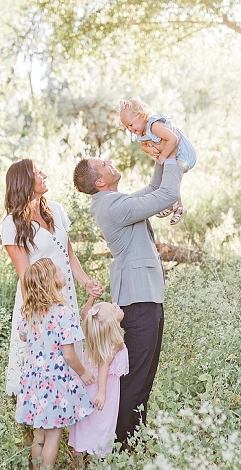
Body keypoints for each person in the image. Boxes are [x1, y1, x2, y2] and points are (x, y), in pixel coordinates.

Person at [72, 155, 183, 448]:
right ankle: (122, 444)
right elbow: (168, 194)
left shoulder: (115, 201)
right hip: (136, 300)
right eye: (104, 163)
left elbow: (153, 189)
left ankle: (133, 438)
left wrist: (163, 158)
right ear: (100, 181)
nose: (110, 161)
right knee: (135, 377)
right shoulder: (112, 205)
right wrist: (173, 156)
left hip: (145, 294)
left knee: (144, 374)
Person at [2, 158, 103, 396]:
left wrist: (85, 282)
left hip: (66, 295)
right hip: (39, 301)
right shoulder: (12, 224)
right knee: (40, 360)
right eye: (38, 173)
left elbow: (68, 254)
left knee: (68, 353)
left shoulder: (55, 209)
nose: (44, 174)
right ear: (24, 182)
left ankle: (67, 414)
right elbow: (25, 274)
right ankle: (31, 421)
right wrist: (34, 315)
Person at [14, 258, 95, 470]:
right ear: (51, 281)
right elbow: (68, 354)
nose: (62, 270)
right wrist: (83, 373)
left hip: (33, 380)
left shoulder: (29, 313)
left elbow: (22, 336)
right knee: (54, 434)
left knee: (40, 433)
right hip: (54, 383)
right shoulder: (63, 314)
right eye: (58, 268)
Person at [119, 98, 197, 225]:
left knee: (170, 176)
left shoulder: (154, 125)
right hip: (173, 155)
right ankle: (175, 205)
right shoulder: (141, 132)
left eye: (131, 124)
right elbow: (143, 145)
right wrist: (149, 150)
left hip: (184, 154)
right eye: (126, 126)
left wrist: (164, 155)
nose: (129, 129)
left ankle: (177, 206)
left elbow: (174, 139)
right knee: (167, 176)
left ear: (142, 116)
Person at [68, 296, 129, 457]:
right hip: (101, 387)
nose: (117, 305)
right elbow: (104, 366)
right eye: (114, 308)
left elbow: (86, 315)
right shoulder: (114, 342)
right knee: (102, 422)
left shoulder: (99, 335)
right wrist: (102, 392)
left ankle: (80, 460)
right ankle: (98, 456)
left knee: (85, 423)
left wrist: (90, 299)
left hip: (89, 386)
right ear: (110, 322)